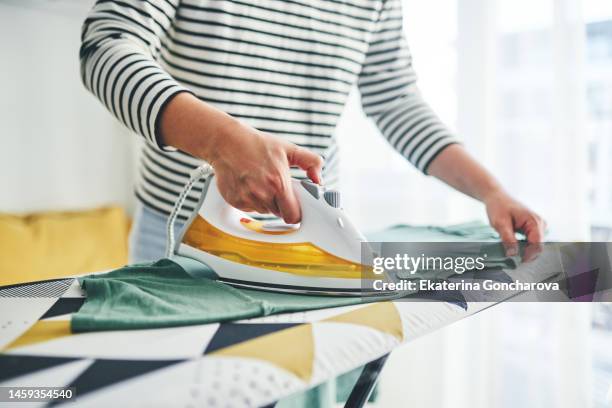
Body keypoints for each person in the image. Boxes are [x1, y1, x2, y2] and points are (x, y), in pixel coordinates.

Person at [79, 0, 545, 263]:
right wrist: (221, 144)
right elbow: (106, 47)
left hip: (306, 232)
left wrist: (491, 192)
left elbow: (395, 99)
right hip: (180, 230)